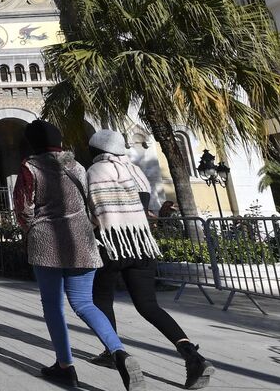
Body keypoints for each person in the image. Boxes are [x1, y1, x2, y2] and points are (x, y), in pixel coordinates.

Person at [12, 119, 144, 391]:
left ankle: (65, 367)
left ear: (33, 143)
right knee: (85, 303)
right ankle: (119, 352)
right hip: (82, 239)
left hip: (47, 241)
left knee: (53, 306)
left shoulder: (30, 167)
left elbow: (23, 207)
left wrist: (30, 230)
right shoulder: (78, 166)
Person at [86, 130, 213, 389]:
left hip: (111, 246)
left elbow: (94, 212)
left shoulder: (95, 173)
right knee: (149, 306)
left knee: (100, 300)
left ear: (96, 151)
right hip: (142, 245)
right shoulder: (136, 172)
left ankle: (114, 352)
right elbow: (144, 209)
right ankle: (193, 356)